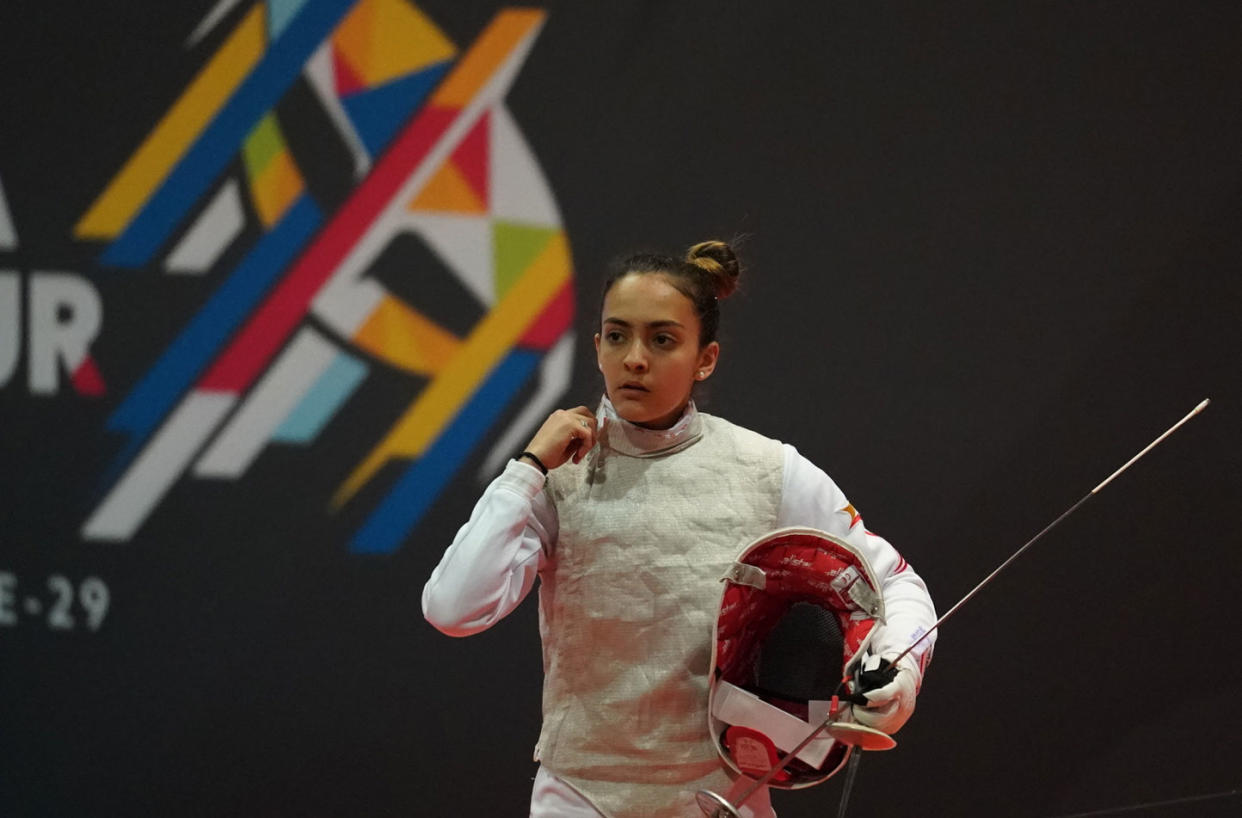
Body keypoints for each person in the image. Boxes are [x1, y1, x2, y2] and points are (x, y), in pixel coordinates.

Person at [422, 240, 936, 818]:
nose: (634, 358)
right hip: (579, 797)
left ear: (704, 358)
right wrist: (527, 471)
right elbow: (454, 608)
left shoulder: (765, 468)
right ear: (596, 348)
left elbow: (892, 580)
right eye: (617, 336)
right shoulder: (557, 474)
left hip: (722, 798)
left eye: (662, 339)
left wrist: (897, 673)